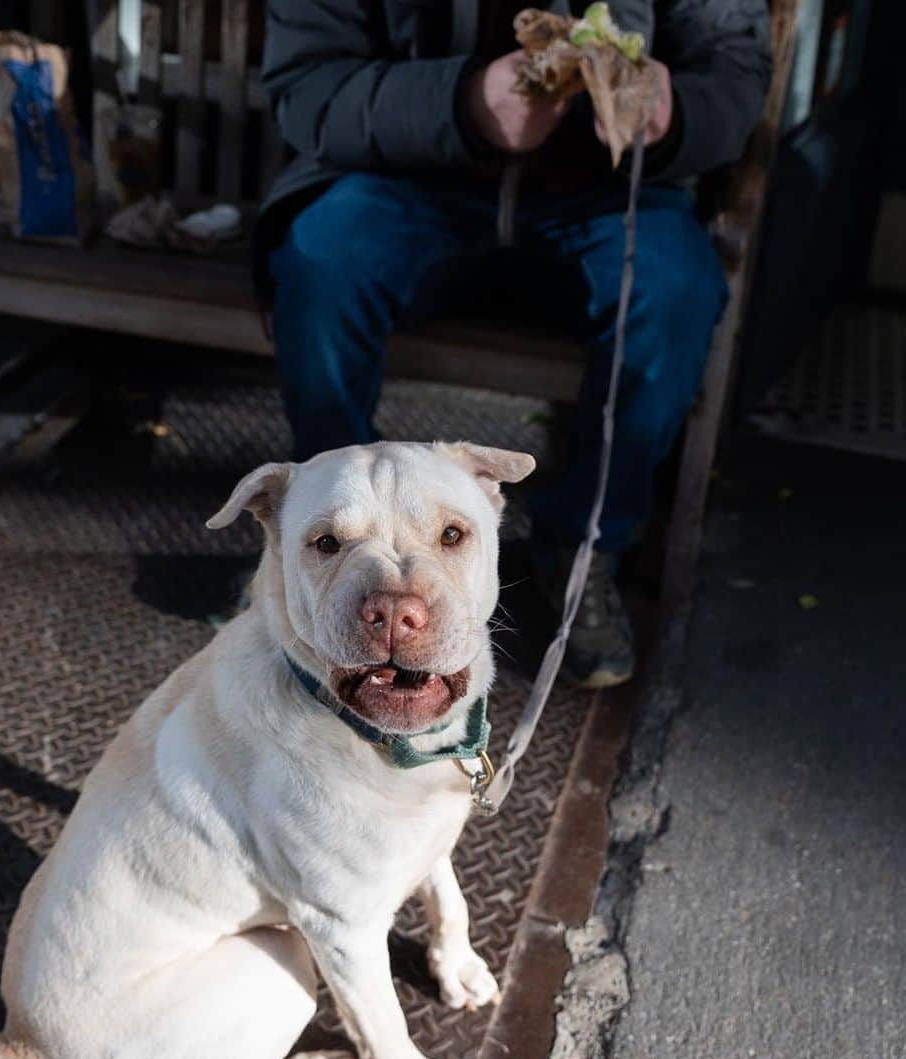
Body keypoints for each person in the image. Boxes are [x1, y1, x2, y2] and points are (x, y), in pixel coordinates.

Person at [255, 0, 771, 687]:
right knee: (321, 262)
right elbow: (308, 85)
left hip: (612, 196)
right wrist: (464, 103)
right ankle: (329, 547)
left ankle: (585, 549)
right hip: (408, 178)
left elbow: (734, 71)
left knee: (675, 290)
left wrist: (678, 116)